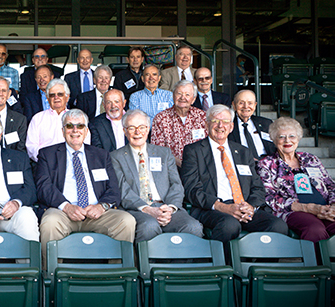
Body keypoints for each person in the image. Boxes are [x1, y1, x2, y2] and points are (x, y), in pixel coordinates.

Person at [180, 104, 288, 243]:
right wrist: (223, 207)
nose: (220, 126)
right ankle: (224, 264)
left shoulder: (243, 151)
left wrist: (250, 206)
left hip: (244, 207)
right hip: (212, 208)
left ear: (231, 127)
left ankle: (261, 264)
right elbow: (191, 188)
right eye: (215, 121)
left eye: (225, 122)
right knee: (230, 225)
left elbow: (257, 187)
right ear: (207, 124)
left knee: (278, 226)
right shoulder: (193, 151)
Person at [36, 109, 135, 258]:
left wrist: (101, 207)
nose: (75, 130)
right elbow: (44, 186)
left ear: (86, 130)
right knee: (50, 222)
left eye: (80, 126)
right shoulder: (47, 154)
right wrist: (67, 207)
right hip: (62, 212)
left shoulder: (101, 155)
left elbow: (113, 189)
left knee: (126, 221)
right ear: (63, 131)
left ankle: (117, 275)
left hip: (96, 213)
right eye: (70, 126)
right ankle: (51, 276)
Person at [110, 109, 203, 242]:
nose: (137, 132)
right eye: (132, 128)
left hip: (166, 207)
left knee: (192, 227)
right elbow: (123, 190)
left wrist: (170, 208)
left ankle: (179, 263)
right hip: (137, 209)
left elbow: (176, 184)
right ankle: (150, 263)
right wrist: (147, 209)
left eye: (141, 127)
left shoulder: (164, 153)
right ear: (125, 131)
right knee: (149, 226)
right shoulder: (115, 157)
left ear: (148, 129)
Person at [257, 117, 335, 242]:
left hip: (326, 208)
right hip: (295, 211)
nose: (287, 141)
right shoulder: (267, 164)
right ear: (274, 140)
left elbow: (332, 186)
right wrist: (308, 208)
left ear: (298, 138)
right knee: (314, 229)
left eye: (292, 136)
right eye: (281, 137)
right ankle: (319, 262)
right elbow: (269, 197)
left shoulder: (310, 159)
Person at [26, 79, 90, 162]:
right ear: (47, 98)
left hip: (72, 163)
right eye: (52, 95)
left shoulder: (78, 118)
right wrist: (47, 160)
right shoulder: (37, 118)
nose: (56, 97)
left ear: (67, 97)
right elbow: (31, 146)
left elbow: (86, 142)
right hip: (45, 164)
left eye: (60, 94)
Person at [150, 80, 207, 167]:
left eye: (187, 95)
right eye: (179, 93)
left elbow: (208, 145)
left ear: (193, 99)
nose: (182, 97)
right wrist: (177, 162)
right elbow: (157, 149)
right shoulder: (161, 118)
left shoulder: (203, 117)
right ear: (173, 96)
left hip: (199, 167)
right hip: (171, 168)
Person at [228, 89, 276, 160]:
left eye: (250, 103)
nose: (246, 106)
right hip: (242, 165)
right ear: (234, 105)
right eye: (241, 103)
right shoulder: (227, 126)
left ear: (255, 105)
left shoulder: (266, 123)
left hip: (267, 164)